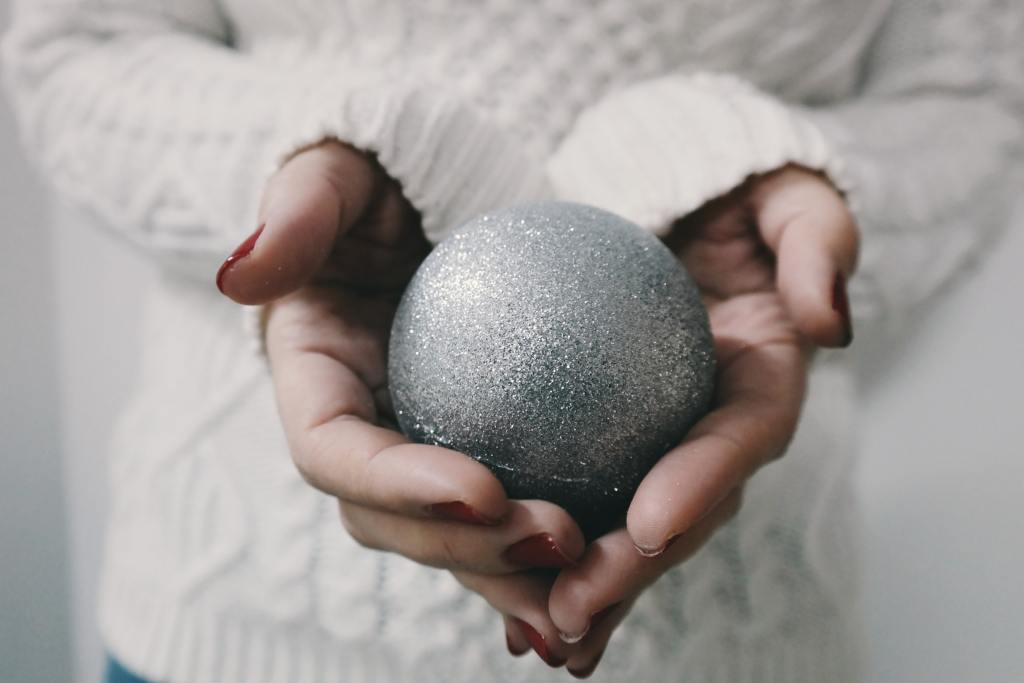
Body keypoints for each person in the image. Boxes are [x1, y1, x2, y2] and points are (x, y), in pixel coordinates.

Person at [3, 1, 1021, 681]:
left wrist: (736, 165)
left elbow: (975, 96)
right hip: (232, 624)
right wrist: (316, 160)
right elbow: (72, 44)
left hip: (750, 631)